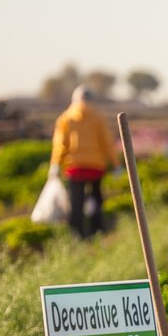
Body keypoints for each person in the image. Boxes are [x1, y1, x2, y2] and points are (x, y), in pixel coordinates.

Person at [49, 84, 118, 238]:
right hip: (95, 167)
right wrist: (115, 164)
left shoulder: (66, 118)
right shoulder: (99, 117)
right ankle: (96, 230)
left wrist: (55, 164)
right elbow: (107, 142)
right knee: (95, 199)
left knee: (76, 203)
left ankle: (78, 234)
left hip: (75, 168)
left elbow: (60, 145)